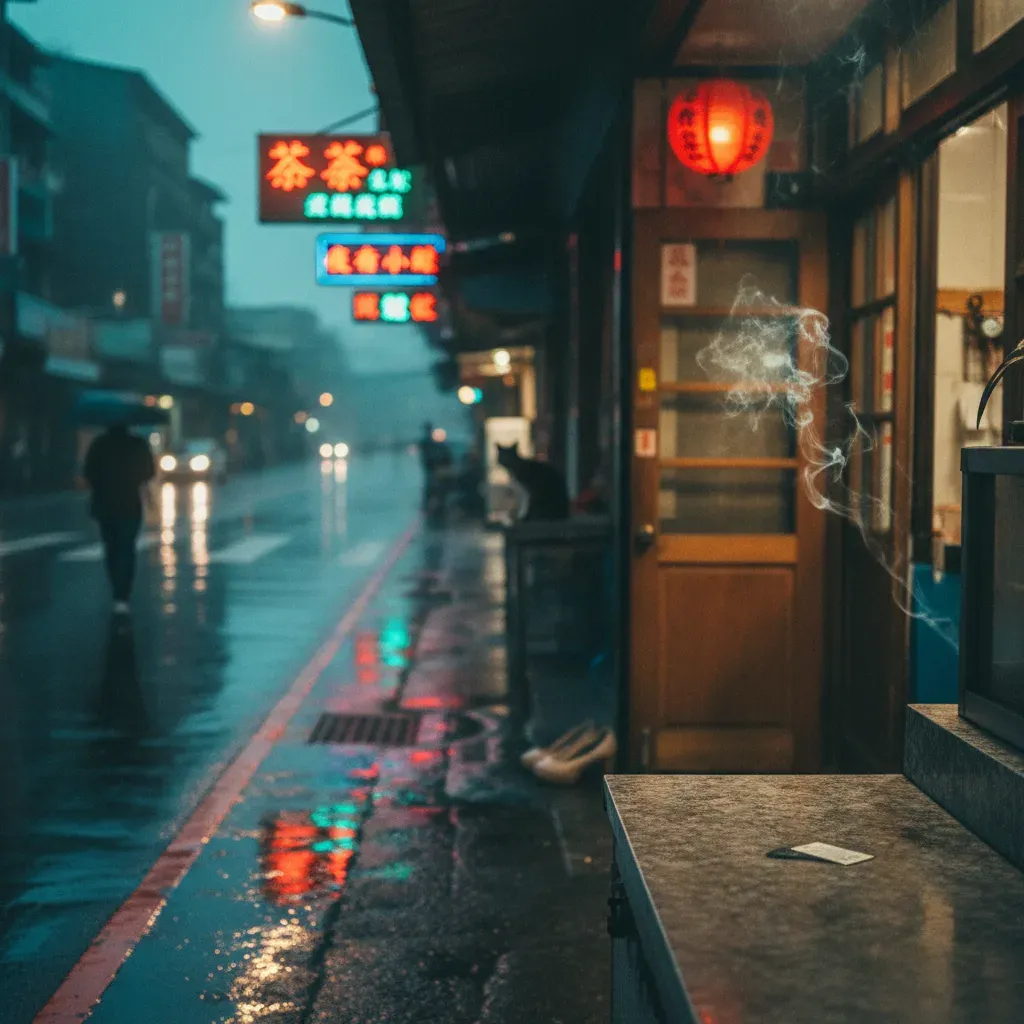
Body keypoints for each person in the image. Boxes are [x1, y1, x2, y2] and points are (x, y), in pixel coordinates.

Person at [84, 424, 155, 615]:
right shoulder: (137, 444)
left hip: (104, 503)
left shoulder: (99, 444)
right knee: (127, 547)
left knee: (111, 547)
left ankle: (117, 586)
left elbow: (88, 472)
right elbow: (149, 472)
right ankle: (122, 593)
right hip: (130, 504)